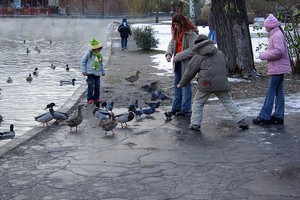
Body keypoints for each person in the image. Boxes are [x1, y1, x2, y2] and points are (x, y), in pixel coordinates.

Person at [177, 34, 249, 130]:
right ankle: (241, 120)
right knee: (228, 102)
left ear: (197, 45)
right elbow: (225, 67)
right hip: (222, 83)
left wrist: (181, 84)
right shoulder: (220, 53)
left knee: (198, 102)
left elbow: (189, 73)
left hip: (205, 84)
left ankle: (195, 124)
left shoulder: (198, 57)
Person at [252, 14, 292, 125]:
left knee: (270, 92)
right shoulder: (276, 34)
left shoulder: (277, 35)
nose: (265, 28)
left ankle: (265, 116)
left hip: (278, 68)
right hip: (278, 67)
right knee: (279, 91)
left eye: (266, 26)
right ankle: (278, 115)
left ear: (270, 26)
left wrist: (264, 55)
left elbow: (279, 51)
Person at [165, 13, 198, 117]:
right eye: (174, 24)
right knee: (177, 85)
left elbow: (194, 49)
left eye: (177, 24)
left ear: (182, 23)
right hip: (177, 63)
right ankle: (176, 107)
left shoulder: (191, 33)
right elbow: (172, 43)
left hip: (187, 64)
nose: (176, 26)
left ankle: (186, 109)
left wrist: (179, 55)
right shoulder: (176, 32)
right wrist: (169, 53)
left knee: (185, 85)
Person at [80, 38, 106, 104]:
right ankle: (90, 98)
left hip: (97, 73)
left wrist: (103, 71)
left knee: (97, 86)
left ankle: (96, 98)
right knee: (90, 86)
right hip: (90, 72)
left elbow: (101, 64)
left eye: (100, 49)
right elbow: (83, 62)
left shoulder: (99, 55)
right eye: (98, 49)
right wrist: (83, 71)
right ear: (94, 49)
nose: (99, 51)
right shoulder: (88, 54)